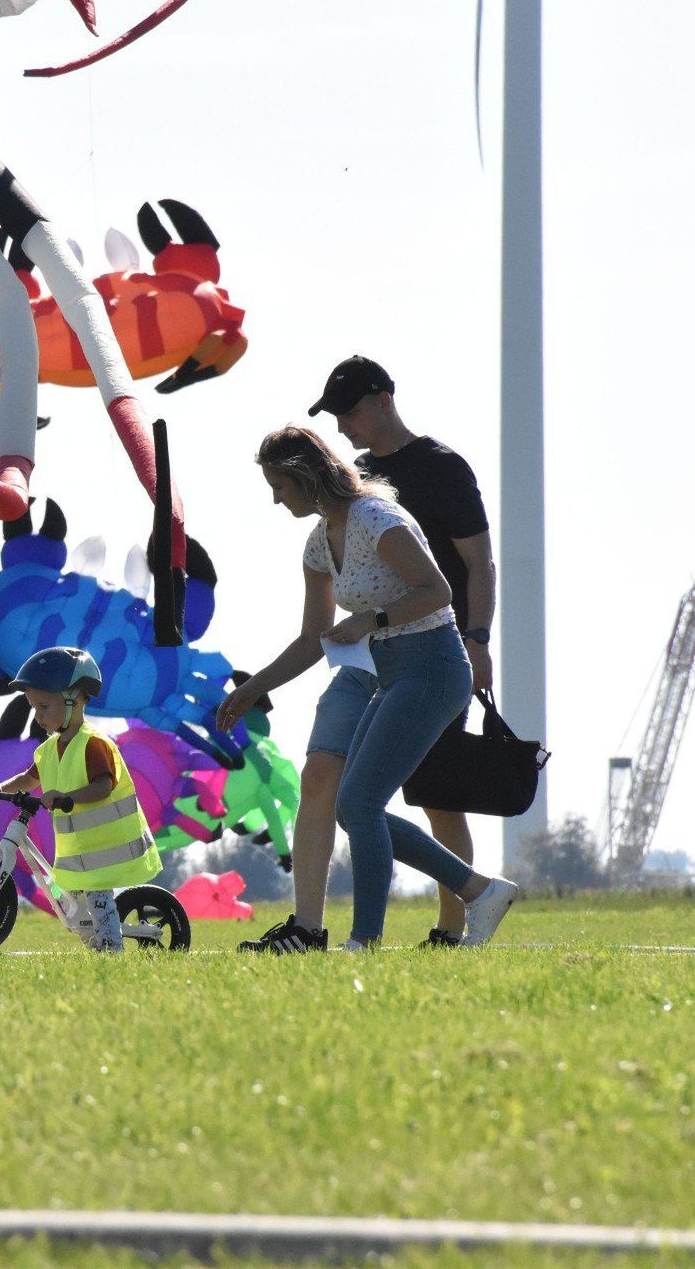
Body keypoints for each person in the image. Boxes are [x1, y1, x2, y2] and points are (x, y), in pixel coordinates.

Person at [217, 426, 516, 951]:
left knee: (359, 804)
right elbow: (312, 639)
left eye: (280, 486)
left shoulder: (376, 518)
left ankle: (367, 942)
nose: (275, 499)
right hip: (391, 672)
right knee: (354, 806)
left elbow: (438, 590)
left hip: (433, 668)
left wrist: (371, 619)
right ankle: (479, 891)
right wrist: (252, 689)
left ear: (307, 477)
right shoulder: (318, 543)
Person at [326, 357, 497, 945]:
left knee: (436, 795)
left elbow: (479, 564)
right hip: (375, 656)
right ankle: (462, 903)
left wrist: (478, 639)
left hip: (438, 649)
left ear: (383, 401)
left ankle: (454, 923)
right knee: (357, 795)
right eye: (335, 417)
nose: (342, 427)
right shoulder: (358, 475)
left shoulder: (442, 467)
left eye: (349, 412)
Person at [0, 646, 162, 952]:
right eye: (34, 707)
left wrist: (67, 797)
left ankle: (111, 951)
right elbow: (28, 779)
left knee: (98, 901)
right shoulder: (48, 750)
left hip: (105, 847)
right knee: (75, 909)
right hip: (77, 851)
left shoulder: (93, 744)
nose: (38, 716)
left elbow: (103, 787)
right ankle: (97, 942)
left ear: (74, 699)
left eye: (44, 706)